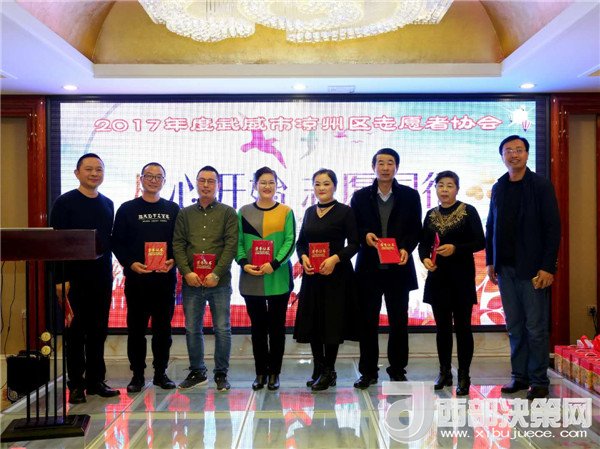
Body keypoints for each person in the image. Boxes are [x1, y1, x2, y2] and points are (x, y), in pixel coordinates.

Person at [486, 135, 560, 400]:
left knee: (536, 327)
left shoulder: (540, 185)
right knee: (515, 326)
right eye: (508, 150)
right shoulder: (499, 187)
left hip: (532, 269)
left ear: (527, 154)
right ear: (502, 156)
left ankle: (539, 380)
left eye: (519, 150)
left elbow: (553, 228)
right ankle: (520, 376)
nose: (514, 154)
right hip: (505, 268)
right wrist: (490, 260)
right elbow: (491, 225)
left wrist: (548, 267)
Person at [49, 153, 119, 404]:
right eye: (88, 169)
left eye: (99, 169)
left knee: (98, 331)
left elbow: (107, 242)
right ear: (77, 173)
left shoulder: (108, 204)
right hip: (73, 279)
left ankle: (95, 381)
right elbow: (55, 243)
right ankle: (76, 384)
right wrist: (60, 279)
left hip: (101, 278)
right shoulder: (64, 202)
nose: (94, 173)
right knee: (75, 333)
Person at [350, 148, 422, 388]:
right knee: (367, 323)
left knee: (398, 322)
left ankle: (398, 369)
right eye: (380, 163)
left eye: (390, 163)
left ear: (396, 167)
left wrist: (406, 248)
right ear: (373, 167)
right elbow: (354, 229)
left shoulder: (410, 196)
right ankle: (368, 372)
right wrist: (365, 236)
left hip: (398, 268)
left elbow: (415, 229)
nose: (385, 167)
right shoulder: (360, 197)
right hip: (369, 270)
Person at [112, 162, 180, 393]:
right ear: (141, 179)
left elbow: (180, 241)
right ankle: (137, 375)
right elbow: (117, 242)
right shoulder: (127, 209)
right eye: (149, 176)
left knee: (163, 330)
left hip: (164, 281)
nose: (153, 180)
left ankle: (161, 373)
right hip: (137, 281)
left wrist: (173, 260)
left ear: (164, 181)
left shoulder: (173, 209)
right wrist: (130, 263)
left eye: (158, 176)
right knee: (136, 330)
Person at [418, 171, 485, 396]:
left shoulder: (468, 211)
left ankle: (464, 375)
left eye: (449, 185)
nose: (445, 190)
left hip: (461, 277)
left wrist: (456, 248)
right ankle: (444, 372)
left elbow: (480, 241)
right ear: (435, 188)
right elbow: (423, 244)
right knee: (442, 328)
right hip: (438, 278)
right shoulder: (430, 215)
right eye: (440, 185)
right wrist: (425, 259)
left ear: (457, 189)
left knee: (463, 328)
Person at [294, 169, 360, 391]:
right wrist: (303, 258)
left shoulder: (345, 211)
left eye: (326, 184)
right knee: (314, 322)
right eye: (317, 184)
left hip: (336, 276)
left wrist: (334, 259)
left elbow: (354, 244)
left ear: (335, 186)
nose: (321, 188)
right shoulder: (309, 212)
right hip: (313, 277)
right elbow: (301, 243)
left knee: (331, 323)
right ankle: (319, 367)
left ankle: (329, 371)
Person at [173, 165, 238, 392]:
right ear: (197, 183)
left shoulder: (228, 213)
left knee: (222, 328)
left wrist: (216, 273)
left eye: (211, 181)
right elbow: (178, 244)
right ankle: (197, 372)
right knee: (192, 328)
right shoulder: (185, 214)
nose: (206, 185)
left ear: (218, 185)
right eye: (202, 181)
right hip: (192, 282)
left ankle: (221, 374)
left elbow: (231, 246)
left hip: (219, 282)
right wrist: (187, 272)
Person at [236, 167, 296, 391]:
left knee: (277, 329)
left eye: (271, 182)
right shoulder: (243, 212)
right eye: (262, 182)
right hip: (251, 279)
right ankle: (260, 372)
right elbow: (237, 242)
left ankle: (274, 373)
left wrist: (275, 263)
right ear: (255, 185)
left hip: (278, 278)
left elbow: (290, 241)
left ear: (277, 186)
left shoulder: (286, 211)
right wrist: (244, 263)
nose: (267, 186)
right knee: (258, 329)